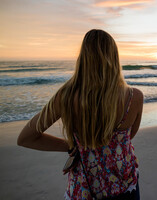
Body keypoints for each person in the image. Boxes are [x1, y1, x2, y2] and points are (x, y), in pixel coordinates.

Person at [17, 29, 143, 199]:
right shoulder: (134, 97)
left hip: (85, 189)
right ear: (114, 57)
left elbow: (26, 138)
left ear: (83, 58)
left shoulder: (66, 96)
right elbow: (129, 136)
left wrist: (71, 146)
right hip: (125, 185)